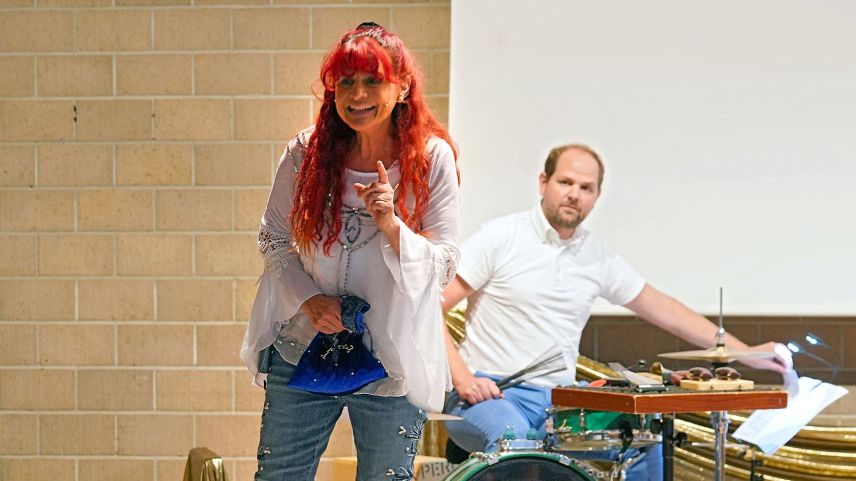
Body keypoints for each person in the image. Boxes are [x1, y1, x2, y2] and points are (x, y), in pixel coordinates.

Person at [441, 143, 792, 480]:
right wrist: (463, 378)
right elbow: (429, 309)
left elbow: (664, 309)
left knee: (642, 438)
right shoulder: (500, 238)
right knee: (515, 437)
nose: (574, 193)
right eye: (565, 182)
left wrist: (745, 354)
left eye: (586, 187)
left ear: (596, 196)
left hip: (561, 399)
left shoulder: (597, 254)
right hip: (491, 391)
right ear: (543, 182)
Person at [240, 22, 460, 481]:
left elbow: (443, 265)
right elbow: (273, 239)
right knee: (280, 474)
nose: (357, 94)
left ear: (401, 89)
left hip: (393, 352)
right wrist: (310, 300)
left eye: (372, 80)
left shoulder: (431, 157)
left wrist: (392, 226)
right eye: (346, 82)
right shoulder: (305, 153)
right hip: (304, 343)